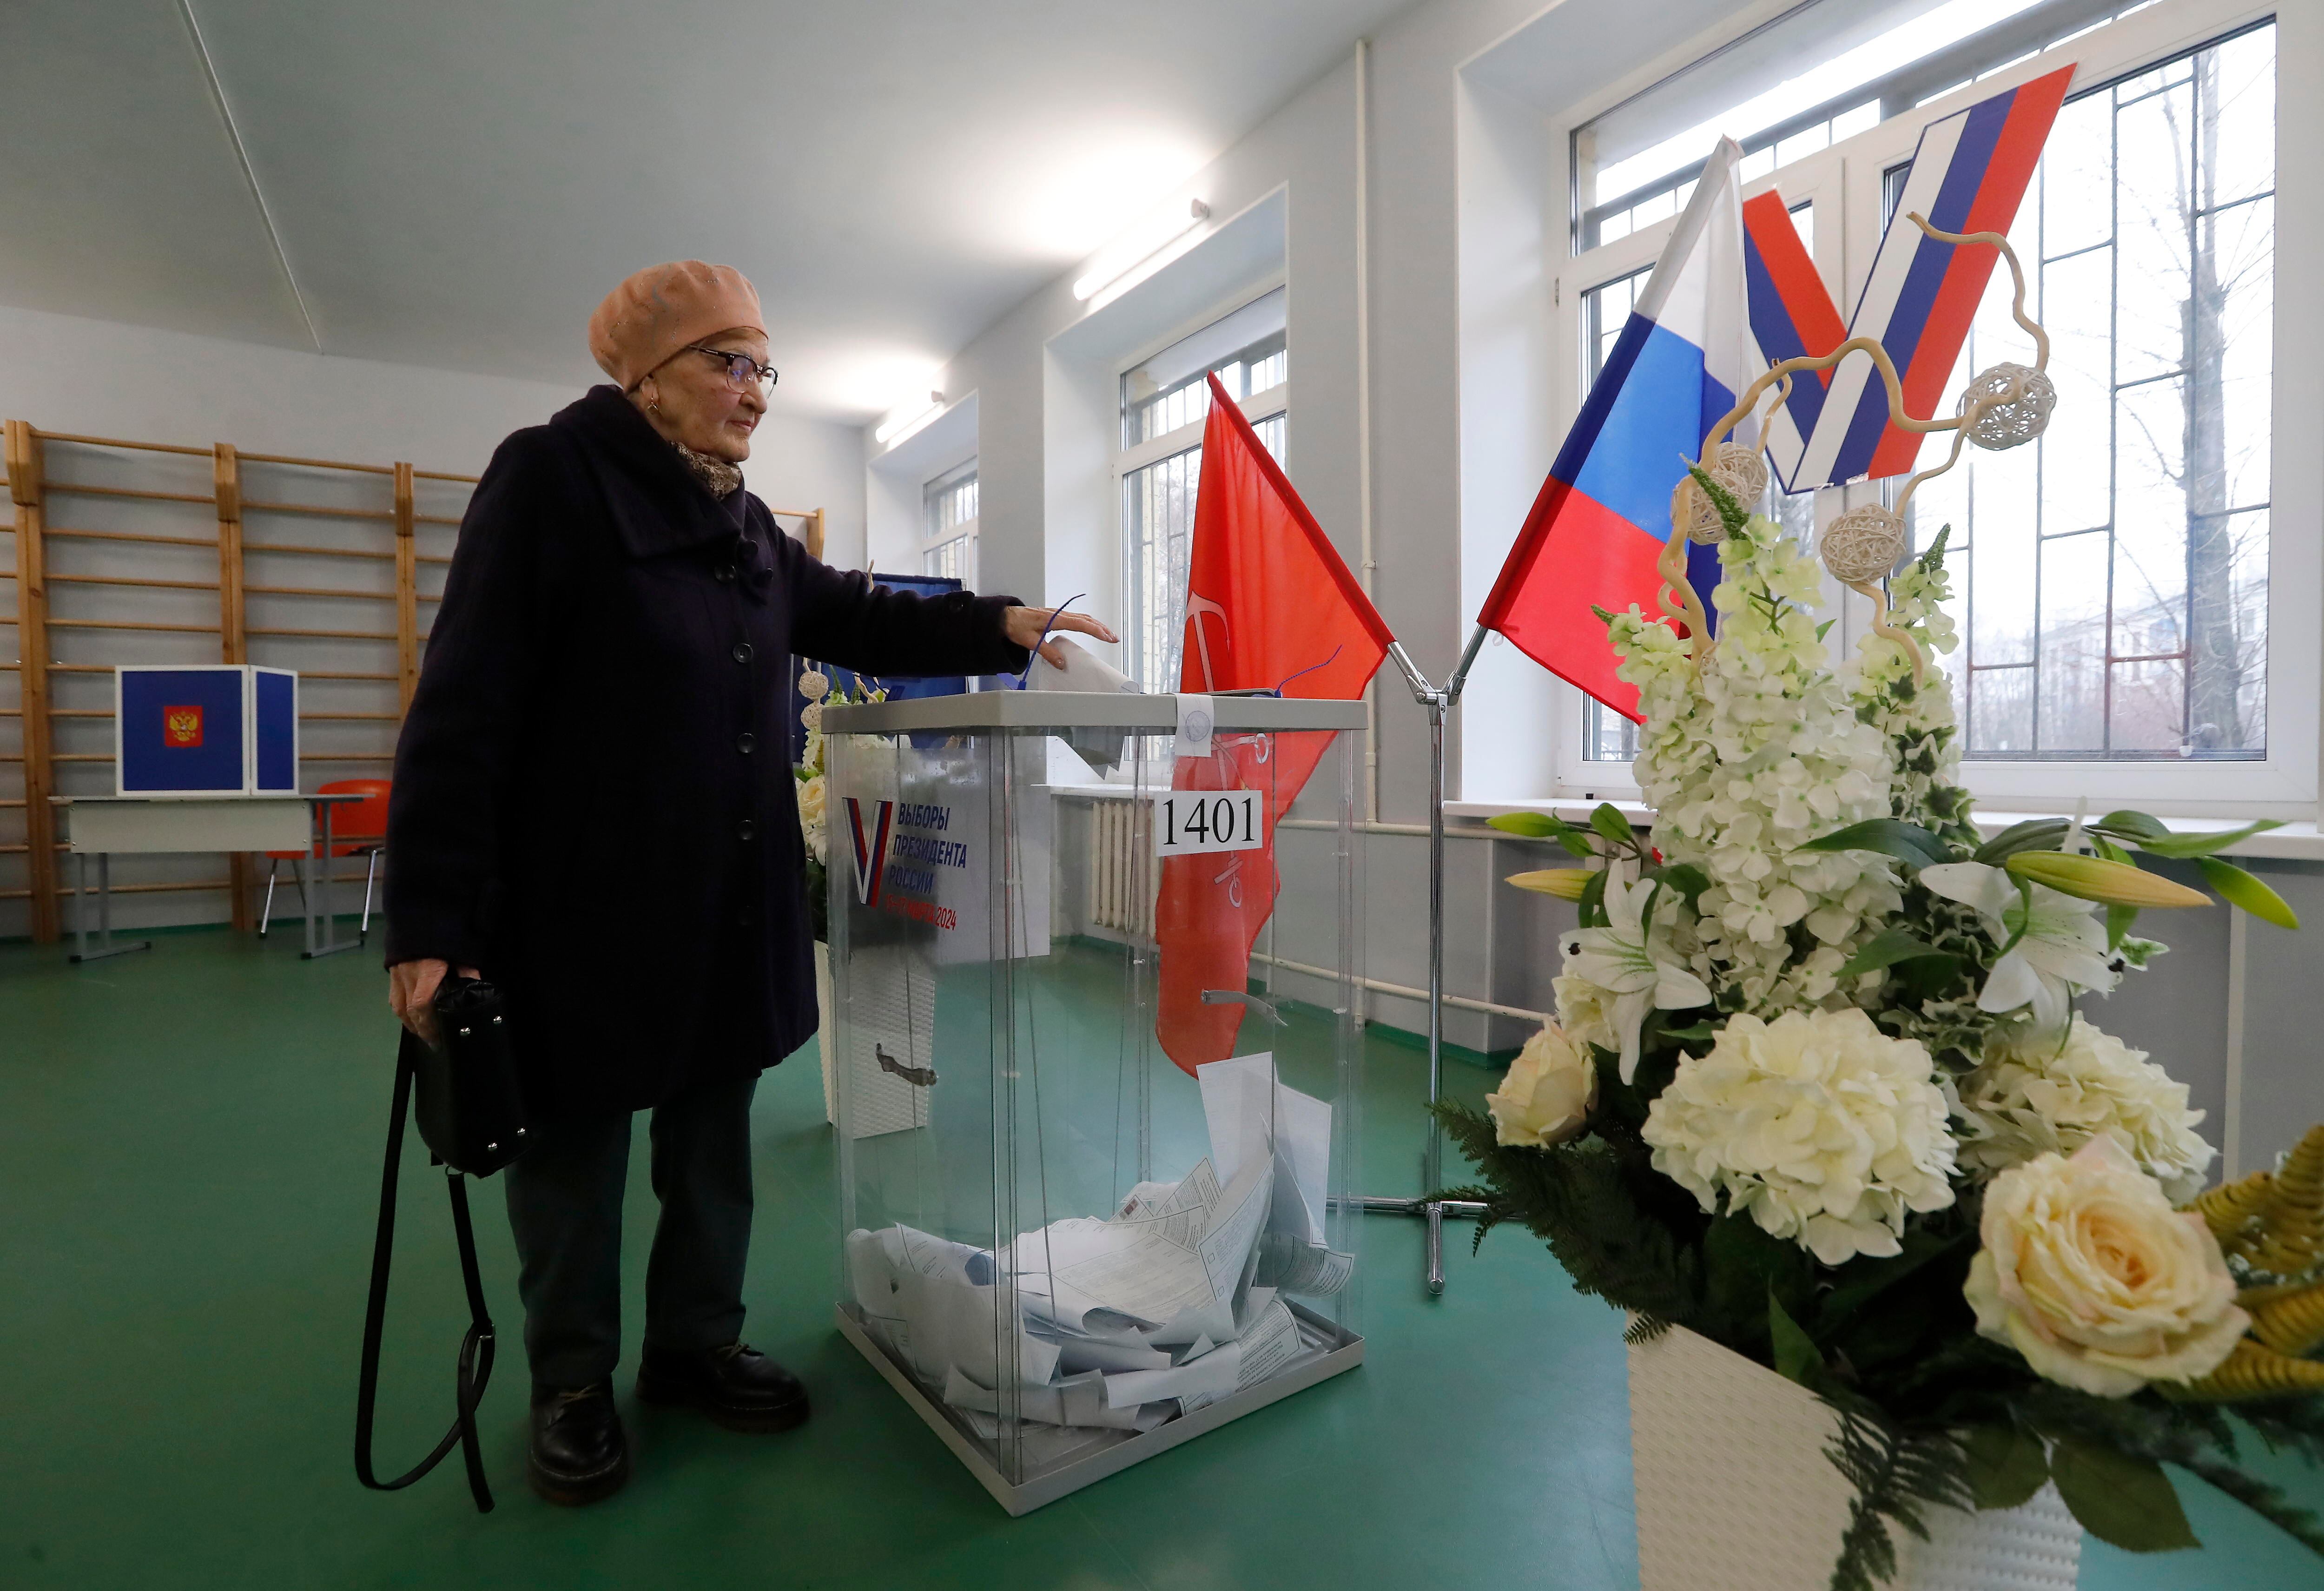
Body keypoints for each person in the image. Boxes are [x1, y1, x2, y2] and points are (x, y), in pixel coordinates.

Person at [383, 259, 1113, 1506]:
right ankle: (572, 1383)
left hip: (722, 901)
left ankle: (692, 1348)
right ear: (647, 379)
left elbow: (859, 615)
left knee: (713, 1141)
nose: (757, 390)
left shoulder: (749, 526)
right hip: (578, 907)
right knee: (574, 1156)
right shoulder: (551, 481)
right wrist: (431, 921)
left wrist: (1003, 624)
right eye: (728, 362)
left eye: (765, 366)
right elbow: (463, 707)